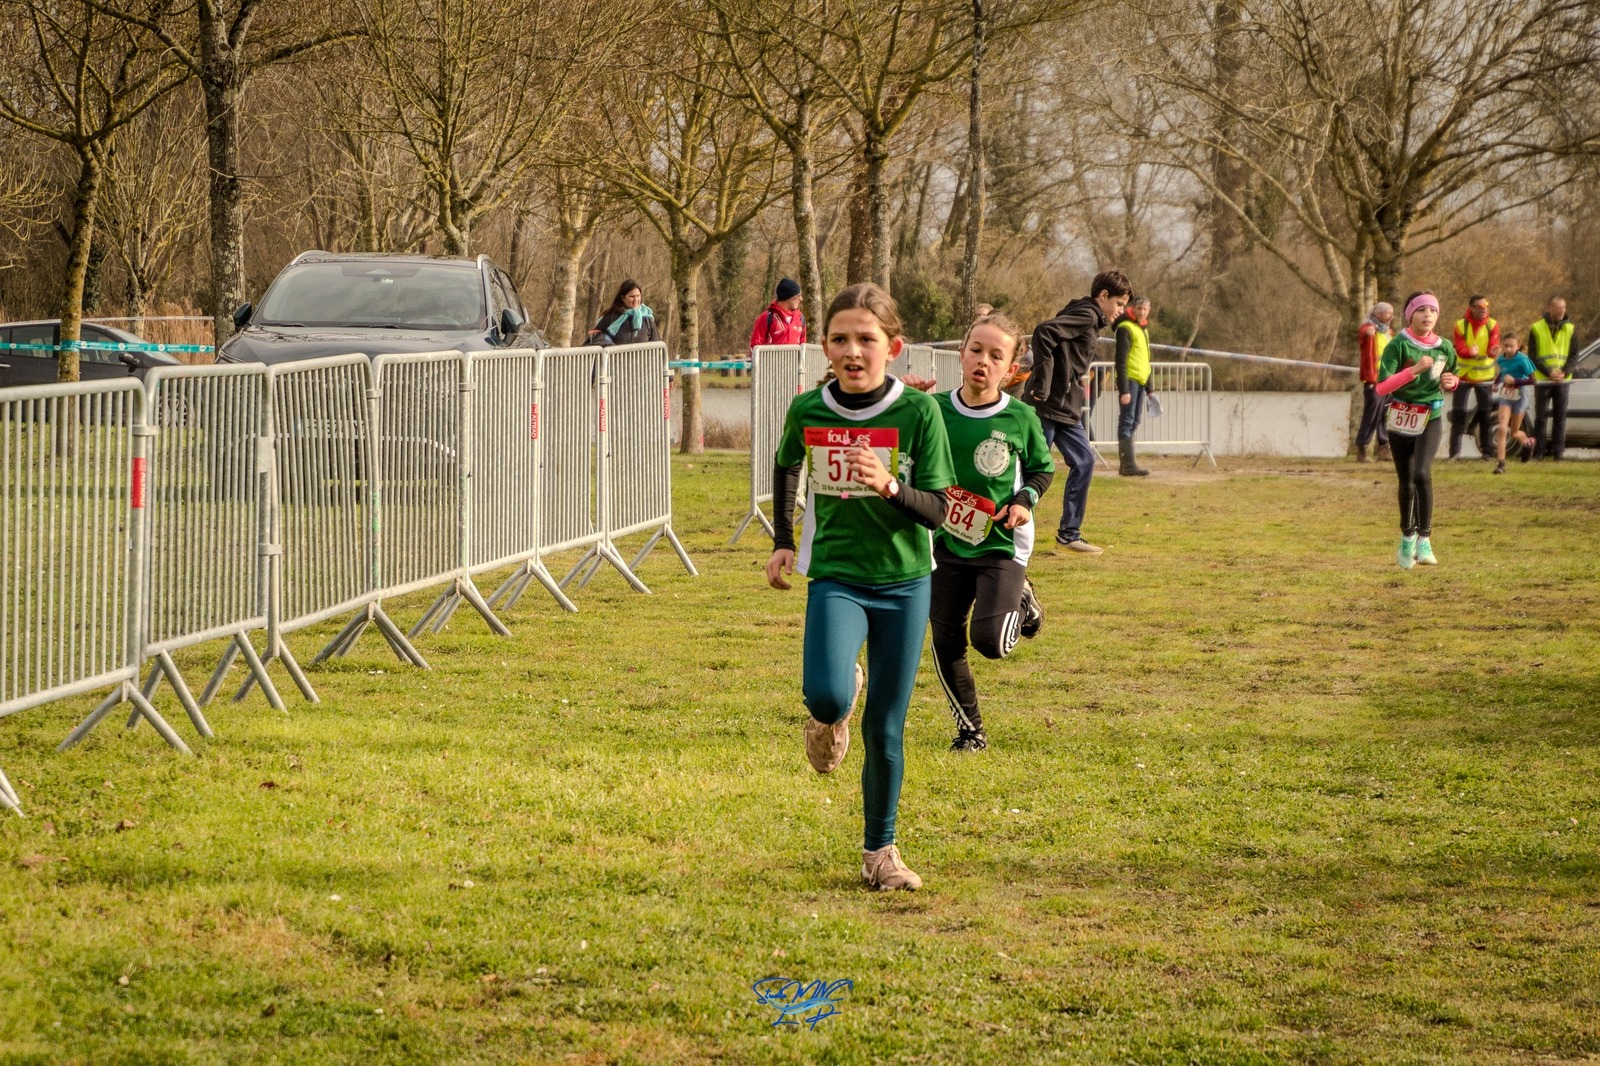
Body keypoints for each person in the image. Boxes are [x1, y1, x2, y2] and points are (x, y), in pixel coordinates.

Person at [765, 283, 957, 892]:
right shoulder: (808, 409)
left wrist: (889, 486)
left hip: (905, 583)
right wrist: (783, 539)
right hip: (838, 577)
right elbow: (786, 463)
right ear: (824, 346)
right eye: (840, 339)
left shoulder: (918, 413)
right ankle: (837, 699)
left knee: (886, 729)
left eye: (866, 340)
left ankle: (880, 853)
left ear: (892, 348)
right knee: (825, 696)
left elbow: (939, 510)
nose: (853, 351)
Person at [928, 314, 1054, 753]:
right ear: (961, 355)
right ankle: (971, 731)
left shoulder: (1020, 417)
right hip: (946, 542)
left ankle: (1022, 598)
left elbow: (1042, 470)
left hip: (1001, 544)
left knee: (991, 643)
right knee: (945, 640)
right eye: (976, 350)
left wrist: (1023, 501)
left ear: (1011, 369)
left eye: (995, 356)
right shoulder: (934, 409)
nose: (983, 361)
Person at [1025, 269, 1132, 554]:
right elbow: (1044, 332)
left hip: (1066, 409)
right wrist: (1043, 383)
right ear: (1103, 295)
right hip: (1047, 406)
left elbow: (1064, 350)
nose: (1120, 311)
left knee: (1084, 461)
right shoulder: (1086, 315)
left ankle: (1069, 534)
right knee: (1033, 470)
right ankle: (1012, 532)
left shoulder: (1090, 319)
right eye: (1119, 304)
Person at [1375, 291, 1459, 569]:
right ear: (1410, 314)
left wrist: (1451, 382)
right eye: (1421, 310)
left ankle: (1425, 539)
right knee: (1406, 480)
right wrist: (1413, 371)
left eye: (1432, 311)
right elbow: (1382, 386)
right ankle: (1407, 537)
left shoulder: (1445, 347)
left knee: (1422, 473)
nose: (1427, 315)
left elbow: (1453, 375)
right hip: (1401, 416)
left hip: (1431, 415)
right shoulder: (1398, 344)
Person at [1448, 295, 1499, 460]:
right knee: (1459, 413)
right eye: (1479, 306)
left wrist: (1493, 352)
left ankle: (1487, 453)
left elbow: (1492, 348)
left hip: (1484, 376)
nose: (1484, 309)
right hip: (1463, 375)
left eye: (1486, 305)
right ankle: (1454, 453)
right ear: (1471, 308)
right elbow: (1459, 348)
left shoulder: (1493, 325)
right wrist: (1470, 352)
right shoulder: (1460, 325)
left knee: (1486, 415)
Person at [1528, 296, 1575, 460]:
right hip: (1543, 380)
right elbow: (1533, 356)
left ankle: (1558, 453)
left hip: (1562, 380)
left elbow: (1574, 355)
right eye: (1558, 307)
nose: (1562, 311)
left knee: (1560, 417)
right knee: (1540, 418)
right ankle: (1539, 452)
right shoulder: (1536, 328)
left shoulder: (1570, 329)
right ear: (1550, 308)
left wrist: (1564, 372)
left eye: (1564, 307)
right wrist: (1549, 372)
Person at [1113, 295, 1153, 477]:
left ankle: (1128, 463)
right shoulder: (1125, 328)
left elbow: (1145, 360)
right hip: (1129, 380)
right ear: (1133, 309)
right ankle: (1128, 465)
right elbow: (1120, 361)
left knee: (1135, 420)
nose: (1142, 312)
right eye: (1139, 309)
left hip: (1141, 381)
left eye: (1145, 309)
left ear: (1149, 311)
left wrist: (1150, 388)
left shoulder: (1143, 329)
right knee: (1127, 420)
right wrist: (1124, 390)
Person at [1491, 334, 1538, 474]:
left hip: (1520, 394)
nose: (1508, 349)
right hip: (1506, 394)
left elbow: (1533, 380)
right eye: (1506, 346)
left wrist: (1515, 381)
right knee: (1502, 428)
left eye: (1511, 346)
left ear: (1518, 346)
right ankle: (1500, 464)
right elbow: (1503, 372)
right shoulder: (1501, 359)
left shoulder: (1523, 360)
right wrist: (1496, 383)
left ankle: (1528, 443)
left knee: (1514, 432)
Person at [1355, 301, 1394, 462]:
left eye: (1392, 313)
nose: (1391, 316)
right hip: (1374, 378)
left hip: (1388, 379)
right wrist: (1368, 331)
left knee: (1385, 413)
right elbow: (1363, 332)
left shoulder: (1388, 332)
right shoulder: (1369, 328)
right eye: (1387, 313)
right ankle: (1362, 449)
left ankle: (1383, 448)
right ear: (1378, 314)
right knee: (1371, 413)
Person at [588, 280, 659, 345]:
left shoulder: (647, 320)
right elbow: (595, 338)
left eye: (638, 296)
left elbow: (657, 346)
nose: (636, 299)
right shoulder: (611, 317)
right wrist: (609, 346)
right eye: (632, 296)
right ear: (623, 298)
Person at [749, 278, 807, 349]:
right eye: (798, 295)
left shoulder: (801, 318)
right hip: (770, 357)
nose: (801, 299)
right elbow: (754, 346)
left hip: (795, 357)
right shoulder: (767, 317)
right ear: (788, 296)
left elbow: (803, 347)